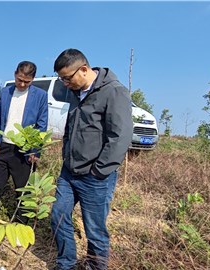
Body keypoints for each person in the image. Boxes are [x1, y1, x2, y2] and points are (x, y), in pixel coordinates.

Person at [50, 48, 132, 270]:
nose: (65, 84)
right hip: (69, 173)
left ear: (84, 69)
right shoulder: (76, 92)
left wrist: (99, 170)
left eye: (67, 78)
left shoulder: (113, 92)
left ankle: (95, 267)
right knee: (58, 215)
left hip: (95, 177)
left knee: (94, 230)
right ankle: (65, 264)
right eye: (62, 79)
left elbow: (121, 136)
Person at [0, 61, 48, 228]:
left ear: (33, 79)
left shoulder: (40, 96)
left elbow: (42, 124)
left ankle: (21, 227)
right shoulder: (6, 92)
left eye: (26, 81)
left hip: (25, 151)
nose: (22, 84)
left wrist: (35, 151)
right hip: (4, 147)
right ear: (15, 74)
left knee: (23, 190)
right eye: (19, 80)